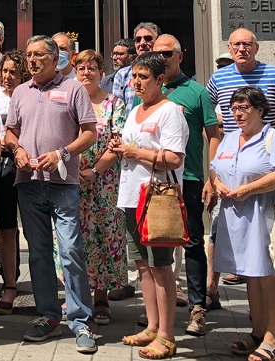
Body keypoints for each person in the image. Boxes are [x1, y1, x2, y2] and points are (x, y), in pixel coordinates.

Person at [3, 34, 99, 354]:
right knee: (40, 252)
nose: (31, 60)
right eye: (28, 55)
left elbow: (89, 134)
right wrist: (15, 149)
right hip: (28, 182)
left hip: (63, 183)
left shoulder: (72, 89)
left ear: (55, 58)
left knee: (70, 250)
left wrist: (63, 154)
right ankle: (47, 315)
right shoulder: (20, 91)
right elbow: (10, 131)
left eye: (38, 55)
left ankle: (80, 320)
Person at [208, 87, 275, 361]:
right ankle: (257, 332)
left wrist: (249, 189)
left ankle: (273, 338)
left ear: (260, 110)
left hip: (264, 214)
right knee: (251, 275)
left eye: (244, 107)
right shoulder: (229, 138)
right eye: (234, 108)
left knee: (269, 276)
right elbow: (214, 166)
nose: (237, 113)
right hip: (234, 217)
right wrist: (217, 183)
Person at [111, 51, 188, 360]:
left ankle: (168, 336)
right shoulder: (135, 111)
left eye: (143, 77)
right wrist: (121, 149)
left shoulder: (170, 112)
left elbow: (173, 157)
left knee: (160, 267)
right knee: (142, 266)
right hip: (132, 197)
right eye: (134, 76)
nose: (136, 82)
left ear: (160, 80)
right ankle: (152, 326)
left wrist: (134, 152)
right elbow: (133, 148)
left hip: (157, 199)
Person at [150, 33, 221, 336]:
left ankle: (197, 307)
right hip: (156, 182)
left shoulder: (196, 92)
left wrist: (212, 175)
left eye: (168, 53)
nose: (163, 58)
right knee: (156, 247)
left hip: (189, 178)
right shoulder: (148, 90)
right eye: (158, 54)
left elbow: (214, 134)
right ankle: (156, 314)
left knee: (192, 244)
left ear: (180, 56)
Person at [71, 49, 126, 326]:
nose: (86, 73)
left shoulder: (114, 103)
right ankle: (74, 295)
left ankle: (101, 295)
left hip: (104, 184)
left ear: (101, 73)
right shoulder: (68, 101)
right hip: (70, 182)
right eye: (81, 68)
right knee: (72, 239)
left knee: (103, 236)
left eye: (92, 68)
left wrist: (94, 171)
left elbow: (117, 144)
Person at [0, 49, 27, 315]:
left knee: (35, 232)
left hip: (29, 166)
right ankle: (9, 284)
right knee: (5, 228)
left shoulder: (31, 97)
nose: (8, 76)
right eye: (4, 71)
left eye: (14, 71)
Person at [207, 30, 275, 135]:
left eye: (247, 44)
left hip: (268, 147)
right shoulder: (217, 78)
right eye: (236, 44)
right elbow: (204, 116)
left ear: (256, 48)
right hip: (233, 148)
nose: (241, 49)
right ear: (229, 48)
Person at [110, 23, 162, 112]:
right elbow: (116, 111)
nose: (142, 43)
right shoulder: (122, 74)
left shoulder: (165, 71)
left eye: (148, 38)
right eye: (138, 39)